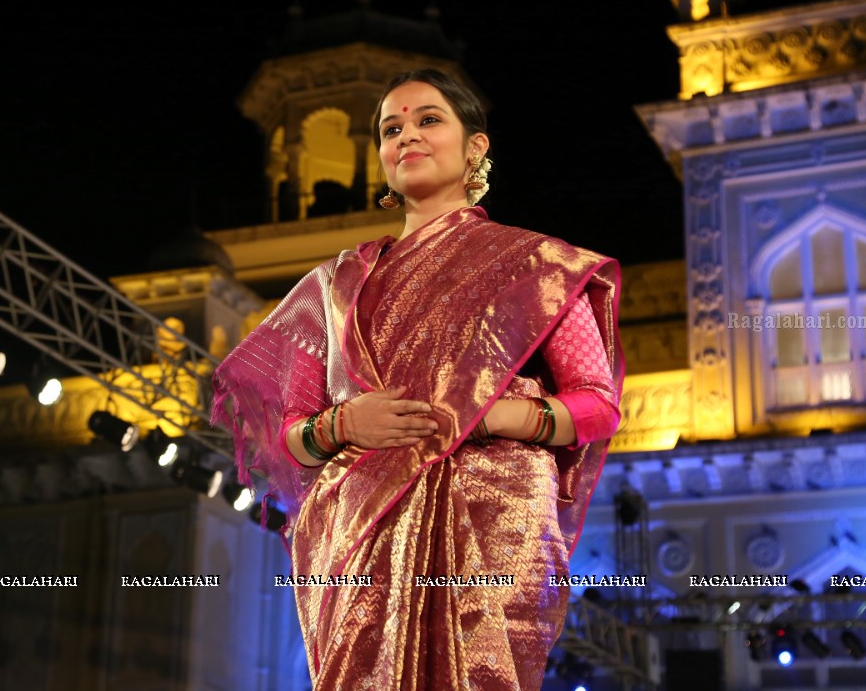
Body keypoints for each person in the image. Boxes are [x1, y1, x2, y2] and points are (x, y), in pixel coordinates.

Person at [211, 68, 623, 690]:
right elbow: (290, 434)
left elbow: (597, 404)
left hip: (492, 519)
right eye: (391, 128)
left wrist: (496, 415)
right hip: (359, 530)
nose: (408, 136)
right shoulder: (335, 288)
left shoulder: (536, 266)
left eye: (429, 120)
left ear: (475, 146)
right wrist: (345, 422)